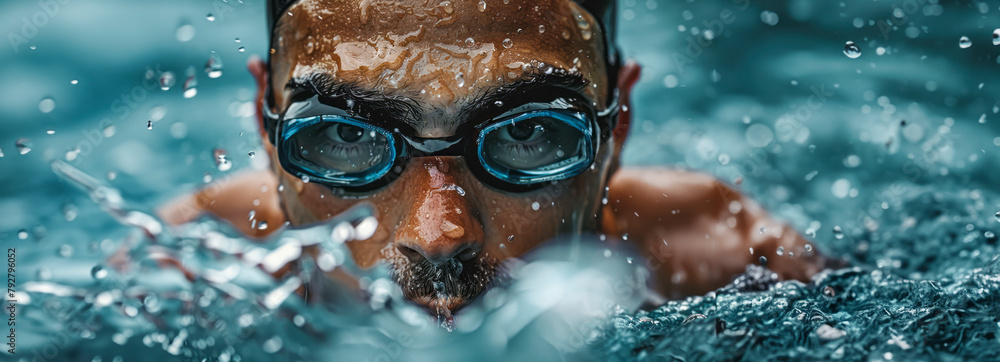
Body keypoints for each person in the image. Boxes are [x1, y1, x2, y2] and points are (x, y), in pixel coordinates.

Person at [159, 0, 836, 316]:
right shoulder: (193, 264)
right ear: (265, 124)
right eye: (347, 139)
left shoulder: (729, 258)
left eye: (528, 134)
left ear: (617, 125)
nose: (440, 236)